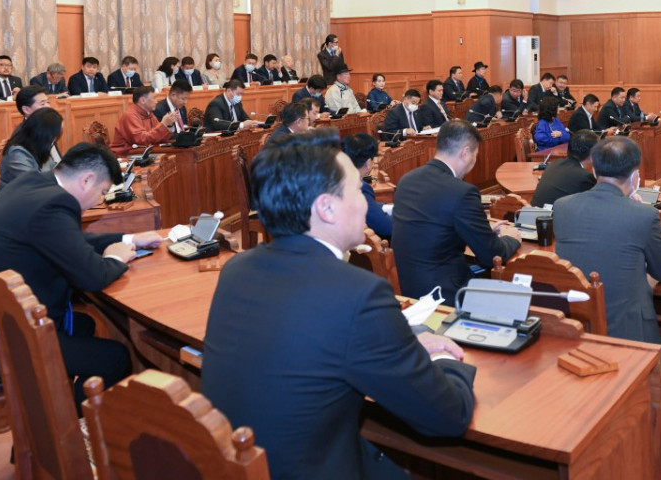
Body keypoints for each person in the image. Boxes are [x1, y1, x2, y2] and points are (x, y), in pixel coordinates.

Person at [201, 133, 476, 479]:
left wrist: (403, 344)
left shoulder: (237, 270)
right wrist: (445, 359)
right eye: (358, 190)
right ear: (326, 208)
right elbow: (448, 416)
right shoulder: (358, 294)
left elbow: (313, 340)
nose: (365, 203)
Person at [0, 143, 161, 401]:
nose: (100, 200)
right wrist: (116, 258)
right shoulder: (54, 204)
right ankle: (70, 424)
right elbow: (93, 276)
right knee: (115, 358)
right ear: (87, 180)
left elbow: (67, 241)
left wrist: (128, 238)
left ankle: (65, 402)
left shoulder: (33, 183)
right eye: (103, 192)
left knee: (84, 325)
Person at [552, 136, 661, 406]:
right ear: (635, 176)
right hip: (627, 331)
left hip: (577, 326)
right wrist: (635, 207)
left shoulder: (562, 207)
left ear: (594, 171)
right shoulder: (643, 215)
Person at [393, 120, 521, 303]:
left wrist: (482, 232)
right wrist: (511, 238)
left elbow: (433, 230)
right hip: (448, 295)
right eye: (475, 155)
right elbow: (492, 254)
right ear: (465, 153)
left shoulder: (406, 180)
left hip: (409, 289)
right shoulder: (462, 192)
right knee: (518, 296)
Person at [341, 132, 393, 239]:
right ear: (369, 163)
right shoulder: (359, 187)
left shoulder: (336, 178)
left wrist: (383, 207)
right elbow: (385, 226)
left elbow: (368, 208)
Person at [532, 128, 599, 207]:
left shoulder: (555, 164)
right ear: (592, 154)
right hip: (553, 214)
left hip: (534, 212)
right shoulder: (584, 177)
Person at [0, 108, 64, 187]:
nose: (54, 142)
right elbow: (35, 184)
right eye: (54, 137)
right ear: (44, 135)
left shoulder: (41, 149)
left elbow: (56, 172)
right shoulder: (16, 154)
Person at [109, 85, 178, 156]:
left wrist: (168, 125)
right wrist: (163, 124)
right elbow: (142, 140)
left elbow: (160, 138)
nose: (156, 101)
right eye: (154, 98)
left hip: (143, 151)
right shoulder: (130, 115)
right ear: (143, 100)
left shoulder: (149, 114)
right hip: (126, 154)